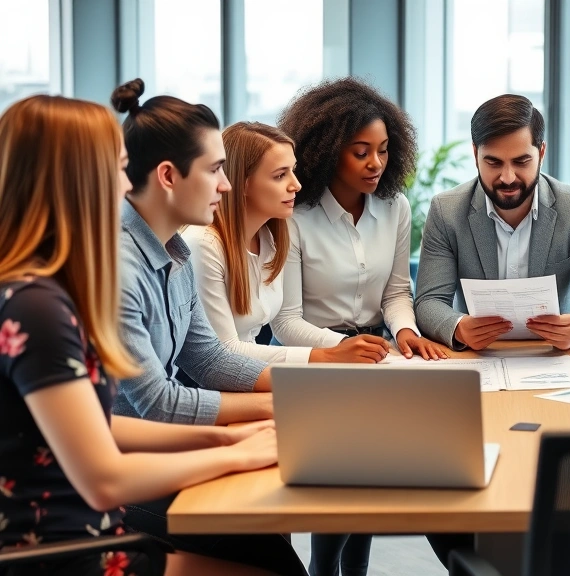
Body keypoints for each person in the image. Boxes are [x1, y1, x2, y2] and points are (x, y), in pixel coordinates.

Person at [0, 94, 283, 576]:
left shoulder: (40, 291)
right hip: (62, 551)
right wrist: (236, 452)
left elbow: (100, 424)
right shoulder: (36, 308)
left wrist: (225, 442)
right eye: (118, 167)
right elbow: (105, 481)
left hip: (79, 532)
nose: (126, 183)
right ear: (77, 180)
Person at [110, 79, 308, 576]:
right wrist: (285, 405)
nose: (226, 184)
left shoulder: (173, 250)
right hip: (123, 469)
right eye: (216, 169)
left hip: (159, 451)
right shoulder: (120, 267)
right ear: (168, 176)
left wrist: (310, 392)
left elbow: (209, 359)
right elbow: (157, 402)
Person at [277, 77, 447, 575]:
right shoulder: (294, 215)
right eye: (361, 152)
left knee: (369, 479)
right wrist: (344, 350)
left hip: (377, 353)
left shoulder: (394, 208)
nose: (376, 163)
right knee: (345, 480)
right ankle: (322, 568)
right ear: (328, 151)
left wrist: (406, 332)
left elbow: (396, 293)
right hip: (312, 359)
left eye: (384, 150)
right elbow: (286, 322)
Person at [414, 94, 570, 351]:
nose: (507, 177)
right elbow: (428, 301)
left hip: (555, 357)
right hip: (478, 359)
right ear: (475, 154)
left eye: (521, 161)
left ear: (542, 153)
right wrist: (457, 326)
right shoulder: (446, 212)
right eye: (493, 162)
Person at [183, 121, 391, 364]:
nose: (296, 185)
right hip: (208, 386)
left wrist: (340, 349)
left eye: (293, 170)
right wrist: (324, 355)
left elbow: (270, 329)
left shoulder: (271, 239)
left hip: (251, 374)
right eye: (280, 175)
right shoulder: (203, 245)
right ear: (243, 183)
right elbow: (224, 351)